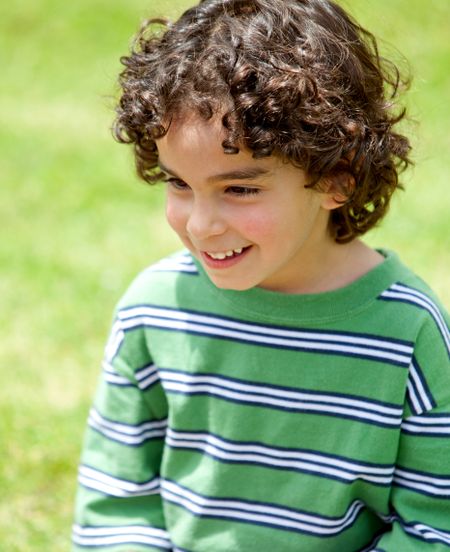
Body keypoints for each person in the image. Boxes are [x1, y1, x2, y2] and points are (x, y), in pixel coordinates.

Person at [72, 0, 450, 550]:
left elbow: (433, 526)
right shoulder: (154, 309)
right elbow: (117, 505)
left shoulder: (407, 331)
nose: (200, 225)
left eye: (240, 188)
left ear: (335, 179)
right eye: (179, 184)